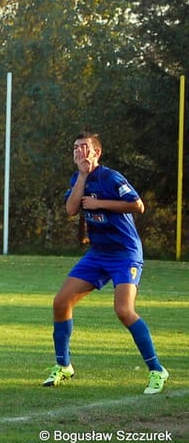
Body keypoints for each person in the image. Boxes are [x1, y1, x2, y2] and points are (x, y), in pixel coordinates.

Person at [42, 132, 169, 395]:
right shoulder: (78, 178)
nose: (79, 151)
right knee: (61, 301)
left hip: (125, 254)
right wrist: (83, 177)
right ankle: (63, 366)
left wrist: (102, 204)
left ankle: (157, 369)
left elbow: (137, 205)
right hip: (98, 254)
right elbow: (71, 209)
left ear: (97, 152)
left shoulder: (111, 177)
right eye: (75, 147)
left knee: (123, 310)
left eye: (84, 147)